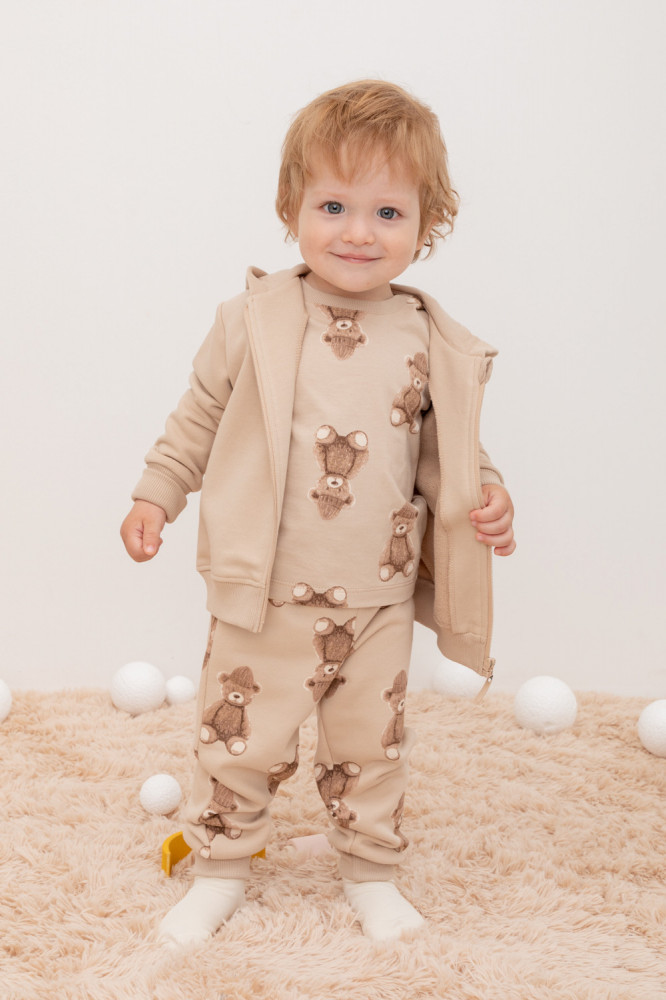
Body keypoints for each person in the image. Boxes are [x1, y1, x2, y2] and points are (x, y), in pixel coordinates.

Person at [120, 79, 516, 946]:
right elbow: (197, 417)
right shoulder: (253, 318)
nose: (357, 232)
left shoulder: (424, 336)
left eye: (387, 213)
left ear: (426, 225)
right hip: (266, 590)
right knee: (238, 739)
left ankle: (370, 871)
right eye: (333, 206)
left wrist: (488, 493)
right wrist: (158, 491)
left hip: (377, 597)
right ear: (291, 207)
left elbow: (452, 448)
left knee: (372, 746)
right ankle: (221, 868)